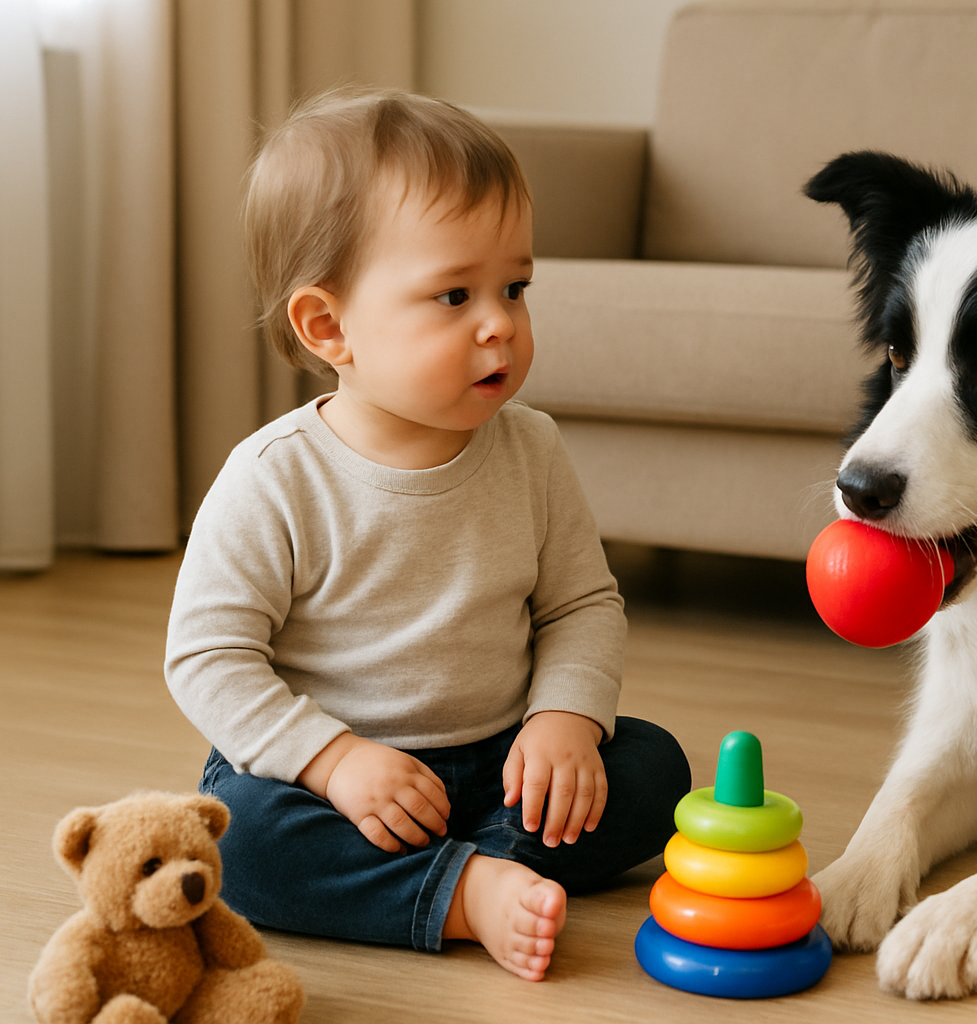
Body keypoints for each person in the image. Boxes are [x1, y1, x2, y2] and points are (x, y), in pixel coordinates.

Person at [164, 88, 691, 982]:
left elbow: (582, 605)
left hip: (499, 762)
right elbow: (207, 657)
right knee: (242, 840)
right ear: (329, 326)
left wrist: (563, 720)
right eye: (454, 294)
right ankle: (467, 893)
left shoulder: (531, 447)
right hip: (330, 784)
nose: (500, 323)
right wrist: (333, 762)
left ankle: (453, 867)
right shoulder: (277, 476)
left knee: (654, 766)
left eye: (514, 288)